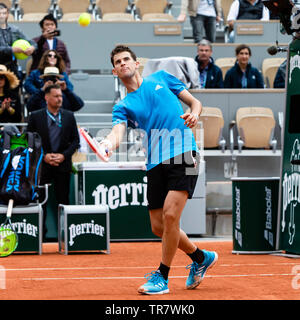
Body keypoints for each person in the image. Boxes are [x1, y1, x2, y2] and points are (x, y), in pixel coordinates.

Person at [99, 45, 218, 295]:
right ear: (114, 71)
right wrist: (107, 144)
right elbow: (118, 131)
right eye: (118, 62)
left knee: (171, 216)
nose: (123, 64)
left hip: (184, 151)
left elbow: (194, 102)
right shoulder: (123, 106)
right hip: (154, 161)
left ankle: (162, 277)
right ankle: (200, 257)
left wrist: (194, 114)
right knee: (158, 226)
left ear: (136, 63)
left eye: (126, 59)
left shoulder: (162, 78)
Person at [27, 83, 80, 239]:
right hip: (42, 166)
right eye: (56, 96)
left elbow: (75, 141)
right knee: (40, 201)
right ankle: (40, 237)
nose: (59, 99)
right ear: (47, 98)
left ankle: (65, 236)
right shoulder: (35, 116)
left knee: (63, 200)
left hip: (62, 166)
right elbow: (29, 141)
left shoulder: (69, 116)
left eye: (60, 96)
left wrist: (64, 156)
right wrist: (43, 155)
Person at [0, 2, 36, 80]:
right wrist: (11, 49)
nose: (1, 16)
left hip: (11, 66)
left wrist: (32, 48)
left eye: (4, 13)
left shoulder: (15, 30)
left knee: (15, 86)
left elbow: (30, 42)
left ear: (7, 14)